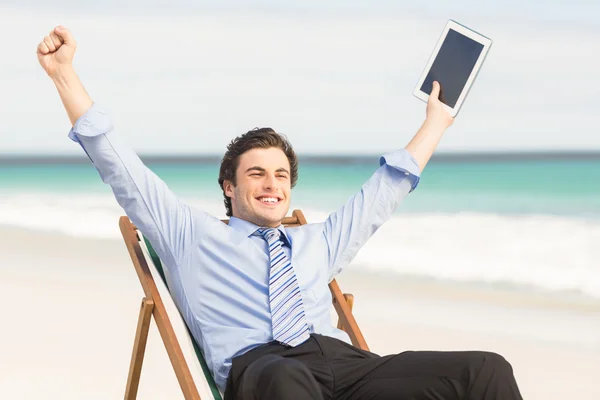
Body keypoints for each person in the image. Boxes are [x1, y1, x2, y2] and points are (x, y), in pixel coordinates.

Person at [37, 25, 523, 400]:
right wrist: (64, 75)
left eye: (281, 175)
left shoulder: (319, 242)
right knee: (288, 376)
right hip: (265, 370)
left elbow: (385, 191)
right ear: (228, 187)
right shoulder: (188, 234)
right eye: (256, 174)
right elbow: (118, 163)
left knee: (487, 370)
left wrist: (436, 121)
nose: (272, 185)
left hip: (347, 367)